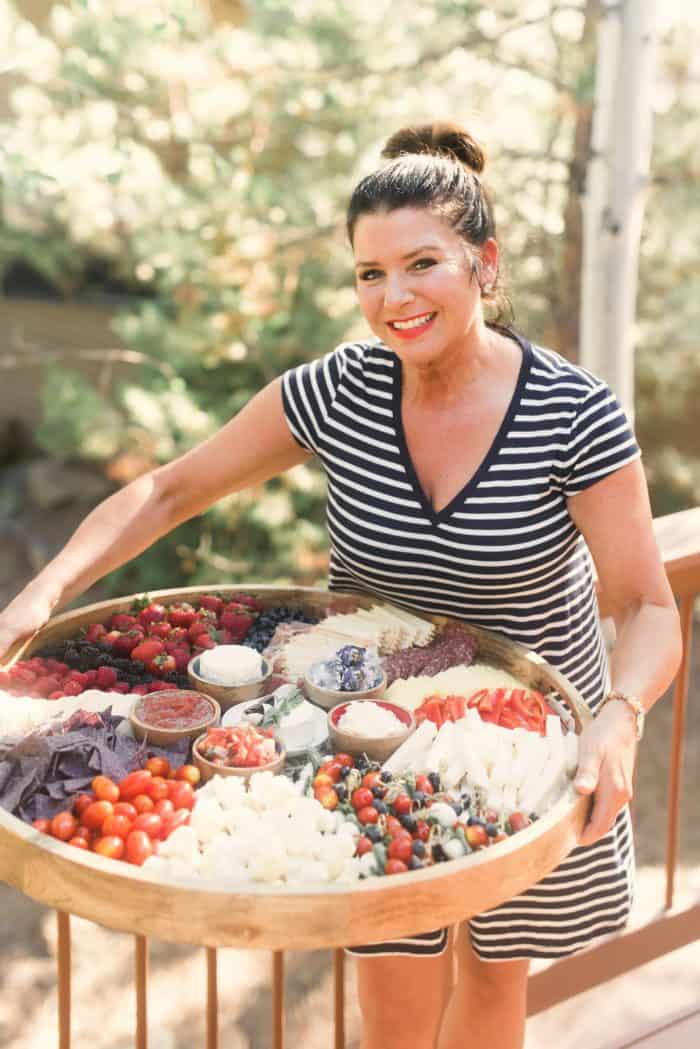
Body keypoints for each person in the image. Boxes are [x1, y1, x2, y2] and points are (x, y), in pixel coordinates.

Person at [0, 122, 682, 1049]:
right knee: (394, 1004)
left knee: (493, 985)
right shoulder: (339, 392)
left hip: (529, 750)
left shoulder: (574, 413)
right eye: (370, 274)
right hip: (359, 740)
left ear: (484, 263)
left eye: (421, 264)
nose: (393, 297)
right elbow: (170, 489)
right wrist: (39, 594)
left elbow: (648, 602)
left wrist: (622, 713)